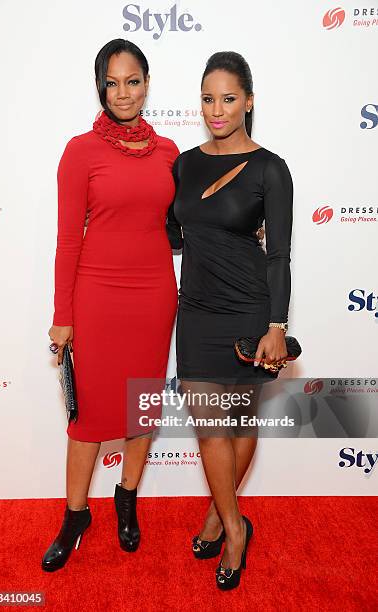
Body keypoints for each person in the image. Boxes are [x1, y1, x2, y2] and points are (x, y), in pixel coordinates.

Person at [42, 39, 179, 572]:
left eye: (134, 81)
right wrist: (62, 315)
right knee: (89, 418)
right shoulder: (80, 151)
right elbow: (67, 241)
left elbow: (184, 221)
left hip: (153, 295)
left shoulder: (169, 152)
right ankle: (76, 514)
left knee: (142, 406)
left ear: (147, 84)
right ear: (100, 85)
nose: (124, 93)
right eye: (113, 82)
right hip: (96, 296)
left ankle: (126, 498)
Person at [167, 51, 293, 590]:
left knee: (241, 423)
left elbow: (279, 255)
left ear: (248, 101)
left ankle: (220, 515)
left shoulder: (271, 168)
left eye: (228, 98)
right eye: (207, 98)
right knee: (209, 426)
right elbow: (173, 231)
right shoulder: (184, 163)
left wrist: (276, 326)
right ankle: (237, 528)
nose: (216, 109)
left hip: (249, 311)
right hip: (195, 311)